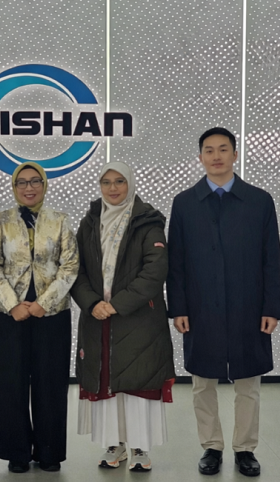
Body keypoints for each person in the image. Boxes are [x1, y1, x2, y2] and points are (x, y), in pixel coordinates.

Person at [166, 127, 280, 478]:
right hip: (201, 307)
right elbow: (176, 262)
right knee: (203, 382)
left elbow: (271, 259)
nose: (216, 156)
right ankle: (211, 446)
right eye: (209, 150)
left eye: (222, 149)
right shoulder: (185, 203)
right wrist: (178, 307)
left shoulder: (259, 201)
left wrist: (271, 307)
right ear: (200, 157)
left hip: (249, 306)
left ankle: (245, 448)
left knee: (248, 382)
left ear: (235, 154)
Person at [71, 162, 176, 472]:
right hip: (98, 318)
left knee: (138, 382)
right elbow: (76, 269)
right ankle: (114, 442)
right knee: (106, 380)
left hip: (138, 318)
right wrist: (92, 303)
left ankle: (141, 447)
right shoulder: (90, 222)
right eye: (106, 182)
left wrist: (116, 304)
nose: (113, 188)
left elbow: (155, 271)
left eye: (119, 181)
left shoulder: (147, 221)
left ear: (130, 184)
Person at [0, 161, 79, 473]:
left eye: (35, 181)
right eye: (22, 182)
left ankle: (50, 452)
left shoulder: (60, 220)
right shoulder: (1, 220)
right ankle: (17, 452)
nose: (29, 187)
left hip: (52, 315)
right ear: (14, 187)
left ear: (44, 185)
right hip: (9, 315)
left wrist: (44, 303)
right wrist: (13, 304)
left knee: (51, 383)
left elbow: (70, 266)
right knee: (10, 383)